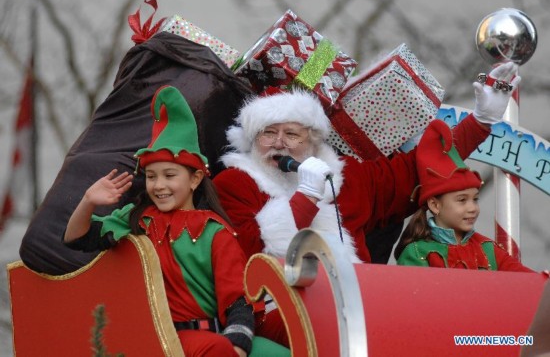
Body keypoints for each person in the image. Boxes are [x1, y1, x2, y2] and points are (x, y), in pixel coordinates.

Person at [212, 62, 521, 344]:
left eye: (292, 134)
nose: (279, 143)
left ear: (313, 142)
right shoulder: (234, 182)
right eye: (269, 133)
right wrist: (305, 197)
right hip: (278, 305)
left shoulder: (348, 177)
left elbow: (421, 167)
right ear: (252, 139)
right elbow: (248, 252)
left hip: (356, 301)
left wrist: (480, 121)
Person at [63, 86, 289, 357]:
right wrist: (88, 201)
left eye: (169, 175)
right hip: (153, 339)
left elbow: (237, 300)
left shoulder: (216, 232)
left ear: (194, 179)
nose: (159, 185)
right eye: (151, 176)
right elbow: (75, 237)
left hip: (211, 337)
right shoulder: (136, 220)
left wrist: (238, 348)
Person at [394, 119, 533, 272]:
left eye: (475, 199)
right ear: (434, 205)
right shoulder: (416, 254)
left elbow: (527, 282)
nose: (472, 208)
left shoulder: (488, 249)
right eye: (462, 200)